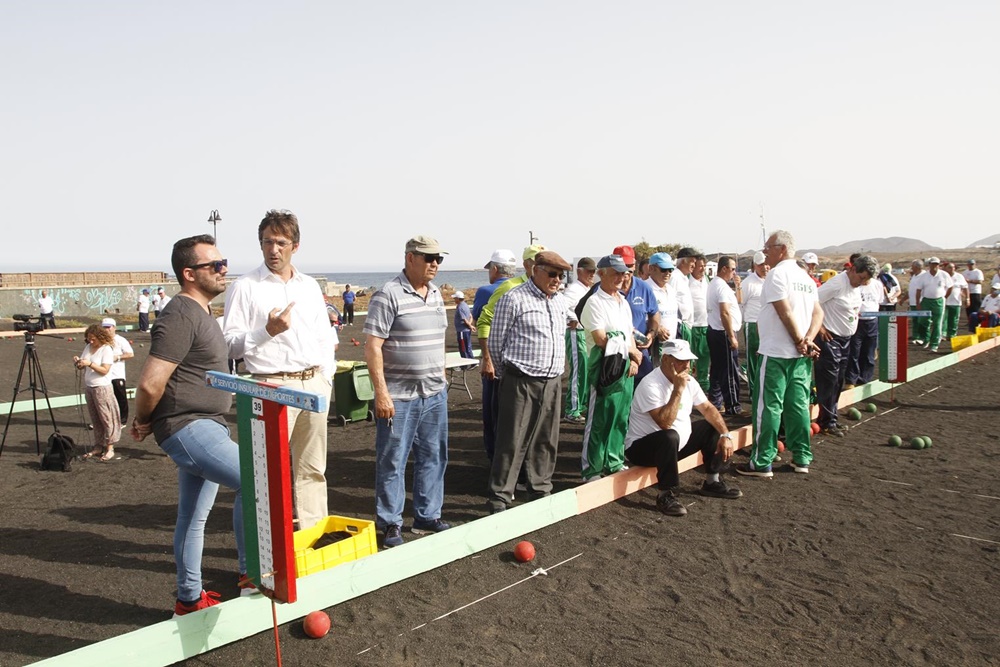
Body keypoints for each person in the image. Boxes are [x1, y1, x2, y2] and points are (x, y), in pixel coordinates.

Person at [130, 234, 245, 616]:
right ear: (189, 273)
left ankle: (189, 599)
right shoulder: (180, 314)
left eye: (224, 262)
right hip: (189, 426)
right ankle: (254, 576)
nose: (224, 269)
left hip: (205, 425)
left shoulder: (202, 313)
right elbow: (150, 383)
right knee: (256, 479)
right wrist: (143, 419)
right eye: (215, 265)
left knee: (193, 517)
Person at [223, 210, 335, 531]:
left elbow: (324, 337)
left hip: (313, 382)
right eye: (267, 242)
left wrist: (325, 376)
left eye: (281, 243)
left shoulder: (309, 286)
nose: (273, 249)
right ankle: (269, 542)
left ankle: (313, 537)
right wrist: (266, 331)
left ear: (295, 246)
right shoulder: (244, 286)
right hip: (269, 385)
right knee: (265, 472)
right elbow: (229, 345)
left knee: (312, 469)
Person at [364, 235, 451, 548]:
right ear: (410, 258)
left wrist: (441, 374)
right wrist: (381, 392)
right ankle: (390, 522)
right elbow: (373, 346)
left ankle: (427, 515)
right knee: (392, 462)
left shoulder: (436, 293)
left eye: (439, 259)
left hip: (434, 394)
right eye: (429, 258)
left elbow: (438, 338)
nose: (435, 264)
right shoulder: (388, 294)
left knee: (434, 457)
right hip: (399, 397)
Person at [486, 251, 572, 513]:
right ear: (536, 270)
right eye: (552, 274)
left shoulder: (560, 302)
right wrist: (508, 375)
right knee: (511, 439)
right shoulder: (514, 298)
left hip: (552, 380)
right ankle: (500, 495)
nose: (557, 280)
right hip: (521, 380)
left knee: (546, 439)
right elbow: (496, 342)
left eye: (561, 276)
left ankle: (540, 488)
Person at [737, 230, 823, 478]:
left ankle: (761, 461)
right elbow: (818, 313)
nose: (764, 252)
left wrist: (800, 340)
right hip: (800, 357)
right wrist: (808, 339)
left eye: (768, 247)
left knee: (768, 407)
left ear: (782, 249)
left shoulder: (777, 274)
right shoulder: (806, 278)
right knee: (798, 406)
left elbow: (784, 312)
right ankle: (802, 457)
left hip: (776, 352)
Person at [624, 339, 742, 516]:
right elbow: (664, 423)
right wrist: (678, 390)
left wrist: (726, 435)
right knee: (669, 436)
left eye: (688, 360)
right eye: (680, 360)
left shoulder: (689, 380)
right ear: (665, 359)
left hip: (674, 446)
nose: (686, 365)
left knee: (711, 426)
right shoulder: (650, 384)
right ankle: (666, 494)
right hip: (642, 449)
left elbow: (707, 408)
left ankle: (712, 481)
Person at [477, 244, 546, 459]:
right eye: (538, 264)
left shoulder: (547, 291)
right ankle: (495, 460)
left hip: (533, 372)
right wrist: (488, 359)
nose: (543, 269)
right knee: (498, 417)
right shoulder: (510, 287)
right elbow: (484, 320)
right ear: (526, 265)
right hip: (505, 368)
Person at [580, 254, 642, 481]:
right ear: (601, 274)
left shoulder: (622, 302)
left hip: (624, 365)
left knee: (620, 416)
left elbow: (628, 333)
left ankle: (614, 461)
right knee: (600, 418)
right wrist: (631, 351)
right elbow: (600, 339)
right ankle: (592, 468)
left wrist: (633, 359)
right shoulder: (594, 302)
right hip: (604, 366)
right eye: (615, 273)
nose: (621, 277)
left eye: (623, 273)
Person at [815, 256, 876, 436]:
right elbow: (811, 302)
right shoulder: (836, 284)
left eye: (866, 280)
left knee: (838, 381)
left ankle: (831, 418)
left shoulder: (855, 287)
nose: (862, 282)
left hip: (845, 339)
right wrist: (820, 327)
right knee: (829, 382)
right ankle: (826, 422)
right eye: (861, 277)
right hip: (829, 339)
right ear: (853, 269)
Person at [73, 324, 121, 461]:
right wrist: (79, 363)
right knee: (95, 419)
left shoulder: (106, 349)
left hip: (102, 388)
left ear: (100, 337)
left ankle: (110, 447)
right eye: (89, 338)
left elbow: (105, 370)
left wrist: (89, 364)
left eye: (93, 339)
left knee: (107, 418)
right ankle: (98, 445)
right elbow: (83, 364)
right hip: (89, 387)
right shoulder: (88, 347)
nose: (91, 341)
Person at [613, 245, 659, 382]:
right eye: (623, 265)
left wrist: (651, 334)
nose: (627, 270)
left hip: (640, 352)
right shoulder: (603, 289)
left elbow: (655, 314)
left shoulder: (644, 288)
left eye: (630, 265)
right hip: (615, 352)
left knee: (643, 388)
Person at [706, 256, 745, 417]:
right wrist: (731, 336)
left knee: (717, 369)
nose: (734, 272)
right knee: (729, 372)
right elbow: (725, 312)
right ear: (724, 269)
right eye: (732, 269)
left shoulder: (716, 284)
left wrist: (738, 286)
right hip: (722, 332)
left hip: (716, 331)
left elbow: (738, 301)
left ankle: (715, 401)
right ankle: (733, 406)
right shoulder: (721, 287)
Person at [562, 257, 597, 424]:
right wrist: (573, 319)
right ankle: (572, 409)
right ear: (579, 271)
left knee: (586, 371)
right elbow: (562, 307)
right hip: (576, 333)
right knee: (579, 371)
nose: (592, 274)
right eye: (589, 271)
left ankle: (580, 405)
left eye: (593, 271)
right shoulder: (574, 289)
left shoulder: (587, 288)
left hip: (586, 334)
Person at [845, 255, 882, 388]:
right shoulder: (855, 284)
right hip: (857, 321)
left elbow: (878, 301)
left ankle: (865, 379)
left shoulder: (877, 285)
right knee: (854, 352)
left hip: (872, 321)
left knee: (869, 353)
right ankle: (851, 380)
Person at [741, 251, 768, 400]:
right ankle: (754, 391)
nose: (764, 267)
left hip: (768, 325)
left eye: (766, 264)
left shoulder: (772, 279)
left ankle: (764, 389)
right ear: (755, 266)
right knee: (753, 359)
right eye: (761, 265)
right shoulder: (748, 283)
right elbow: (740, 304)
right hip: (752, 324)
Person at [911, 257, 952, 353]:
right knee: (922, 321)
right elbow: (918, 290)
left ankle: (934, 344)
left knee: (937, 323)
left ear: (938, 265)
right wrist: (917, 302)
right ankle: (926, 339)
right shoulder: (924, 276)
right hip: (926, 301)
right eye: (932, 264)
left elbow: (950, 287)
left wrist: (945, 297)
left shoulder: (944, 275)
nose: (934, 266)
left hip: (938, 301)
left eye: (936, 264)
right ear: (929, 264)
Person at [644, 252, 678, 364]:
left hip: (671, 344)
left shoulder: (671, 290)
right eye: (663, 270)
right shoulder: (644, 288)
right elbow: (639, 315)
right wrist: (656, 328)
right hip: (653, 345)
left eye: (670, 270)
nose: (667, 273)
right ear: (651, 269)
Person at [101, 317, 134, 427]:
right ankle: (106, 420)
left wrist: (118, 357)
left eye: (108, 327)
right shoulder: (100, 341)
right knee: (104, 399)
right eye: (104, 327)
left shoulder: (121, 340)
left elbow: (130, 354)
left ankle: (122, 421)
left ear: (114, 327)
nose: (106, 330)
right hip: (103, 374)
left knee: (120, 398)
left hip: (117, 374)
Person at [688, 255, 711, 391]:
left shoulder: (707, 280)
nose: (703, 269)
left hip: (705, 324)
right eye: (700, 266)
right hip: (692, 326)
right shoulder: (686, 281)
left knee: (704, 357)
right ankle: (687, 386)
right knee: (689, 359)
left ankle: (704, 386)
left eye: (704, 266)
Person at [671, 248, 696, 342]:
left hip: (686, 326)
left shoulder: (684, 278)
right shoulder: (674, 277)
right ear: (682, 262)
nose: (694, 265)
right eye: (692, 262)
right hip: (679, 326)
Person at [942, 262, 969, 340]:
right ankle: (943, 334)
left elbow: (965, 288)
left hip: (956, 301)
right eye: (949, 267)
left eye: (953, 267)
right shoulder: (943, 276)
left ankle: (952, 334)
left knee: (954, 319)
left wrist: (967, 298)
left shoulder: (959, 276)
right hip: (945, 301)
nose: (952, 269)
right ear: (945, 268)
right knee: (944, 319)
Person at [906, 260, 925, 341]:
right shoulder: (914, 276)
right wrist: (904, 299)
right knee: (915, 320)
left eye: (912, 267)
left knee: (921, 320)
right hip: (913, 302)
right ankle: (915, 335)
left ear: (917, 267)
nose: (911, 268)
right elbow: (911, 289)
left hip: (921, 302)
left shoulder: (924, 276)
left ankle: (922, 336)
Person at [453, 291, 475, 358]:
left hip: (462, 330)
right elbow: (470, 316)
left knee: (463, 348)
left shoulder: (460, 307)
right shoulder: (465, 305)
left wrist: (470, 326)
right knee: (468, 346)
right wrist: (470, 325)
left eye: (455, 298)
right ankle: (471, 360)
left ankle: (466, 361)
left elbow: (464, 319)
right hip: (466, 330)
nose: (454, 300)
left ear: (458, 298)